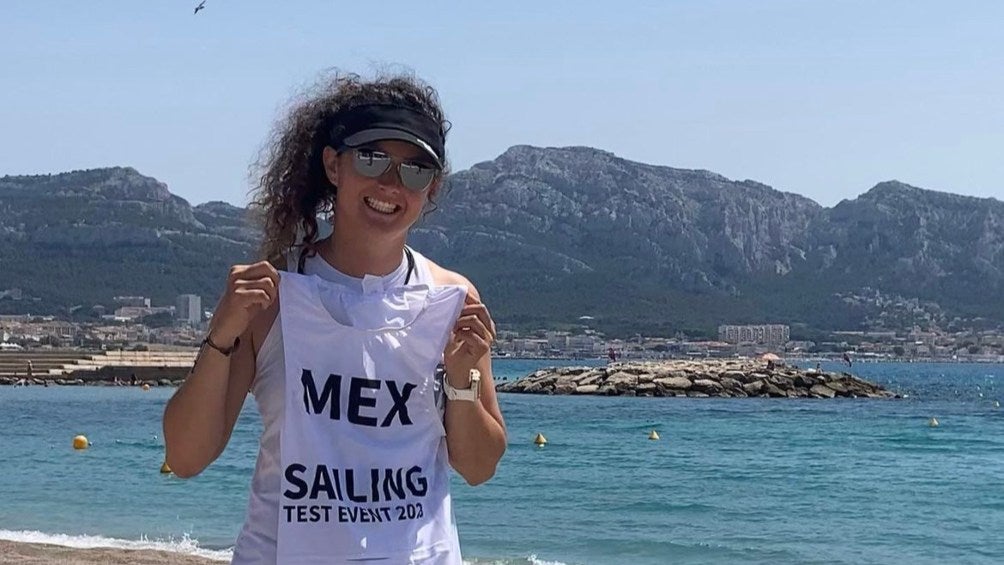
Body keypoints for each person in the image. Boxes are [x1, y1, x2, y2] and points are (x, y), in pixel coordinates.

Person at [163, 72, 507, 565]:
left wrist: (460, 381)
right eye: (371, 158)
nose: (391, 183)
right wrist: (221, 335)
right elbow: (185, 457)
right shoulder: (273, 295)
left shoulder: (452, 299)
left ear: (431, 188)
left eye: (415, 170)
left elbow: (478, 467)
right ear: (333, 164)